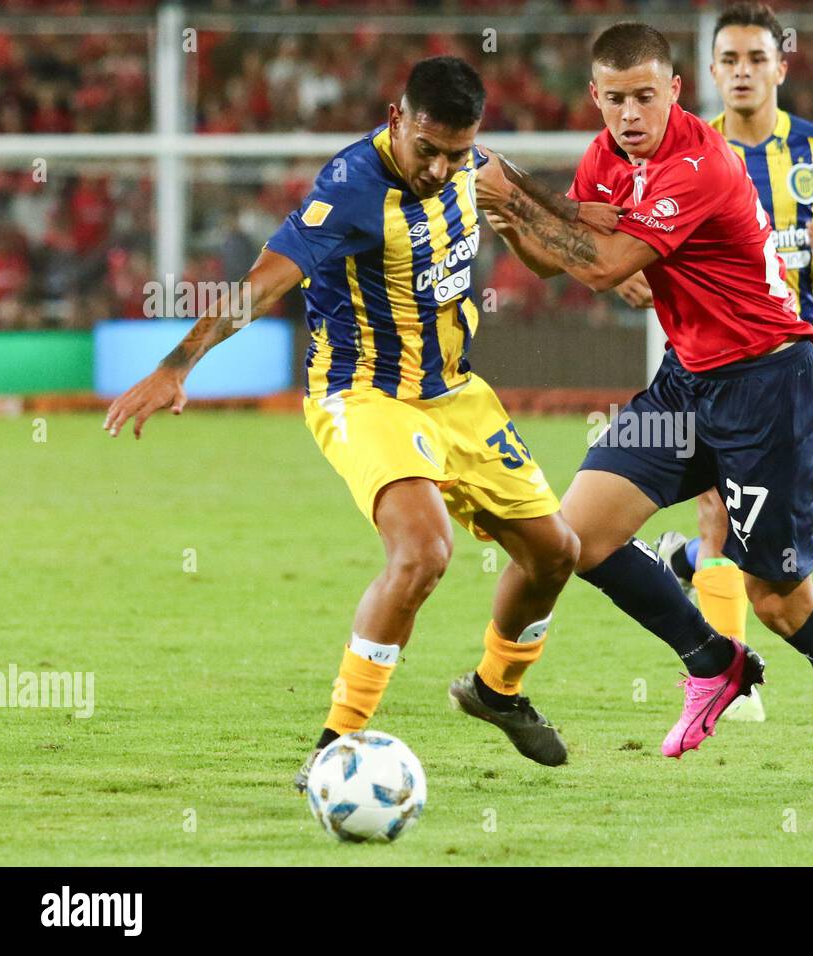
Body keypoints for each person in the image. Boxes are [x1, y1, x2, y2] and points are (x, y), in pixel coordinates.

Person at [102, 57, 619, 787]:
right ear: (395, 119)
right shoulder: (350, 192)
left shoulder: (470, 163)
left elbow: (505, 177)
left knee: (555, 552)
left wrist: (565, 214)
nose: (441, 168)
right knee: (423, 552)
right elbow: (262, 282)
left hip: (454, 393)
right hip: (364, 394)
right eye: (427, 150)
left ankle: (496, 690)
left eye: (457, 152)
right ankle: (335, 748)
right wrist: (177, 364)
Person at [476, 23, 813, 795]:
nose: (629, 115)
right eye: (615, 99)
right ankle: (713, 660)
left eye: (645, 97)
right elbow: (561, 259)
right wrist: (520, 225)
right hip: (687, 380)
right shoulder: (605, 158)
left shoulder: (698, 163)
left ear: (676, 92)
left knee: (778, 599)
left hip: (770, 387)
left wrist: (518, 194)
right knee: (578, 538)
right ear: (596, 96)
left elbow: (608, 265)